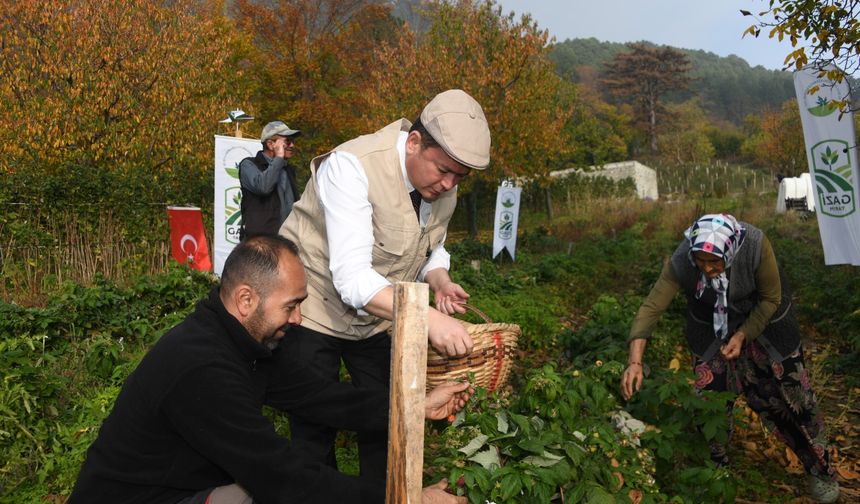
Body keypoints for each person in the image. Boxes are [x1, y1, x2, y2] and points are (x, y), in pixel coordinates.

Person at [68, 235, 472, 504]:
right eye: (291, 305)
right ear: (246, 300)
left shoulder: (244, 341)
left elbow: (324, 398)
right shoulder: (202, 368)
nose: (298, 319)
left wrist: (415, 406)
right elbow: (282, 476)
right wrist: (404, 497)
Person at [279, 89, 491, 488]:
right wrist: (427, 318)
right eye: (443, 170)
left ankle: (384, 494)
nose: (447, 184)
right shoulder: (352, 166)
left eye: (458, 177)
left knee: (390, 417)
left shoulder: (443, 183)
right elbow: (352, 279)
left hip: (377, 319)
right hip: (313, 309)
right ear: (414, 142)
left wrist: (439, 278)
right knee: (314, 427)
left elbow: (432, 243)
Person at [620, 213, 839, 503]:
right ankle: (715, 473)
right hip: (711, 327)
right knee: (707, 399)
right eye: (701, 261)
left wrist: (742, 335)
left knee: (794, 400)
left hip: (767, 321)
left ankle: (820, 469)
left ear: (731, 250)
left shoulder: (755, 246)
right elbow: (652, 306)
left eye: (715, 262)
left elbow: (771, 298)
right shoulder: (683, 258)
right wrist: (635, 362)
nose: (708, 268)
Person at [239, 121, 302, 240]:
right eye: (287, 141)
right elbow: (263, 187)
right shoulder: (248, 165)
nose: (292, 145)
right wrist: (278, 157)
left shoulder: (288, 170)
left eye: (293, 141)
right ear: (270, 144)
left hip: (286, 241)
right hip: (259, 244)